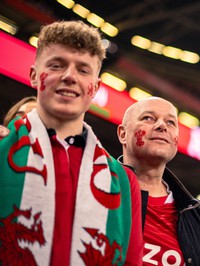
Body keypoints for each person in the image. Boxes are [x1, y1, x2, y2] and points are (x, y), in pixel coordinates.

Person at [0, 20, 142, 265]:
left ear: (95, 88)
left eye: (83, 70)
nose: (69, 76)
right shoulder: (2, 150)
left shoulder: (124, 181)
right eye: (56, 65)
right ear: (34, 75)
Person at [117, 96, 200, 265]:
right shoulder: (93, 190)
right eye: (148, 118)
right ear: (123, 134)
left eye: (170, 122)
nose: (162, 125)